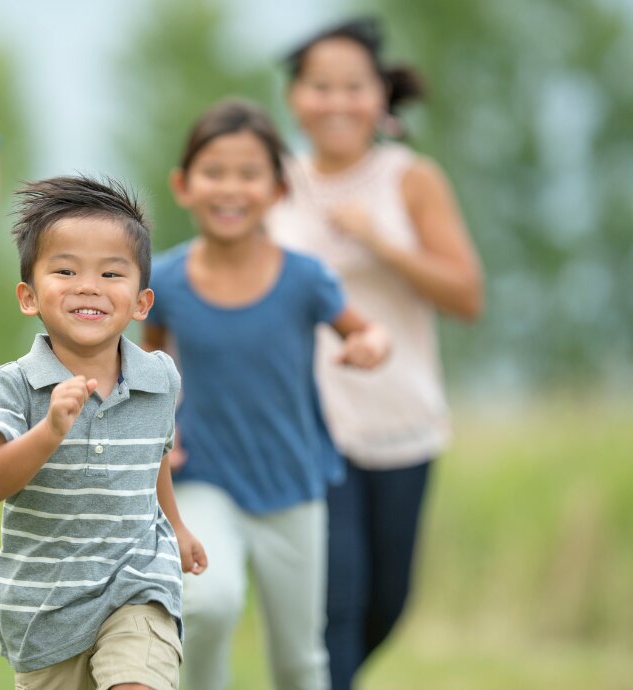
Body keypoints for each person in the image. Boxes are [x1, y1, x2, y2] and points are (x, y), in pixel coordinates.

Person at [142, 98, 390, 690]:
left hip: (293, 488)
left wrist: (370, 346)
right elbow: (153, 369)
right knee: (207, 605)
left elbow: (366, 330)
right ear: (183, 185)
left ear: (278, 190)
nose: (231, 188)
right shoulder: (166, 282)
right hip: (203, 478)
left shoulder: (305, 278)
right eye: (214, 172)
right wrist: (161, 426)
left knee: (299, 660)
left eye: (249, 174)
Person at [268, 17, 485, 690]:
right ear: (295, 98)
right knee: (336, 601)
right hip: (306, 421)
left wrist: (382, 245)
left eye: (352, 87)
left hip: (401, 416)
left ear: (380, 96)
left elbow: (467, 296)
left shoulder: (410, 178)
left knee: (387, 602)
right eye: (319, 86)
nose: (336, 102)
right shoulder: (270, 182)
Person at [0, 175, 206, 690]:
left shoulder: (160, 377)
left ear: (142, 303)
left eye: (111, 273)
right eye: (66, 270)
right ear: (29, 296)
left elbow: (151, 456)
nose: (88, 285)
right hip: (45, 611)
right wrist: (49, 432)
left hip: (139, 581)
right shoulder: (12, 385)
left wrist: (178, 527)